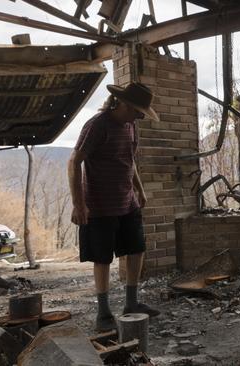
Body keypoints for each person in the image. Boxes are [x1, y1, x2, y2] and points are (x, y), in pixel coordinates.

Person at [68, 82, 161, 331]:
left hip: (127, 199)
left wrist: (139, 189)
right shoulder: (97, 125)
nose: (140, 116)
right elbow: (74, 162)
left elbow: (129, 160)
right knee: (103, 257)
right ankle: (104, 313)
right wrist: (79, 204)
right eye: (138, 110)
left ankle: (132, 303)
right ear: (123, 104)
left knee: (136, 248)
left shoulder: (131, 125)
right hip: (99, 204)